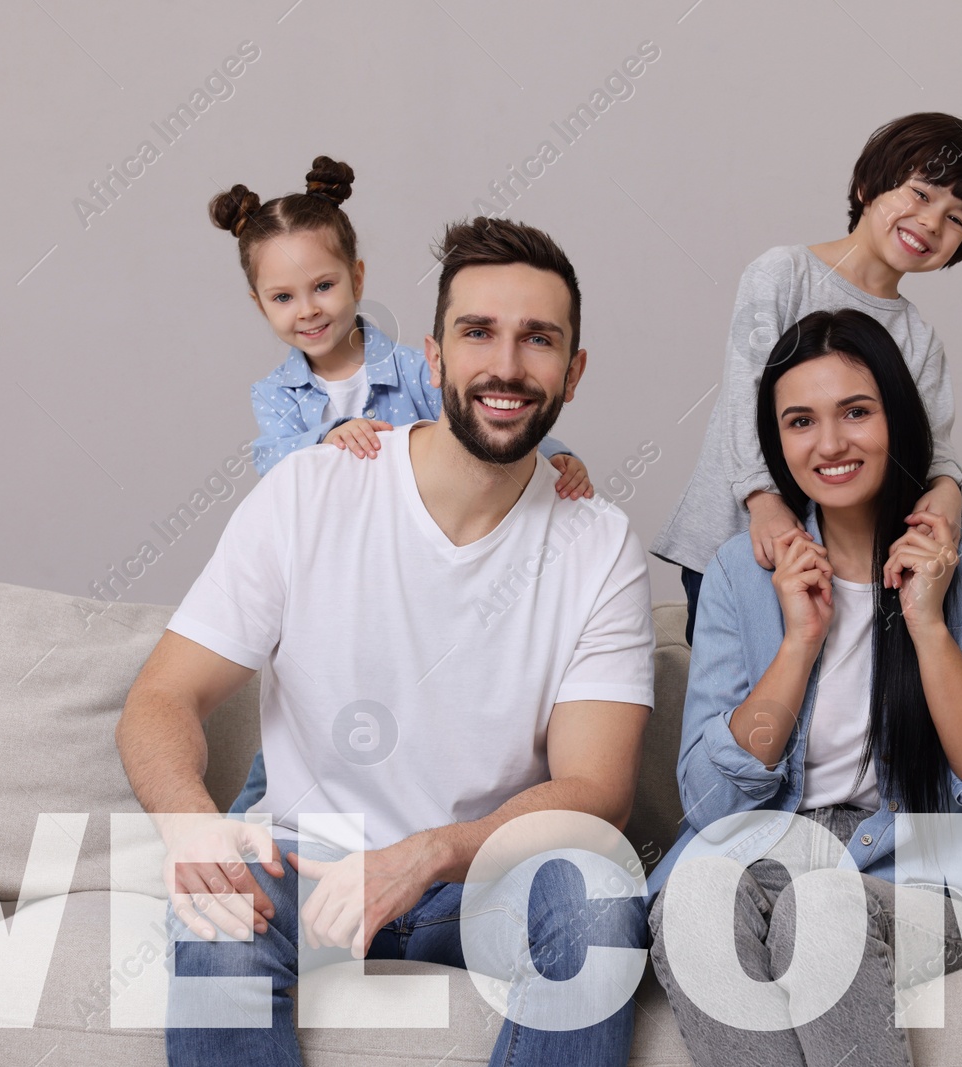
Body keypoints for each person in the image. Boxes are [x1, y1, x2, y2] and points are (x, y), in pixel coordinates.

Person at [116, 215, 655, 1067]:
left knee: (596, 895)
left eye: (538, 339)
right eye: (478, 333)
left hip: (478, 881)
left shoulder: (600, 543)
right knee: (215, 915)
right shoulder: (311, 493)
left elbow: (598, 788)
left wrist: (430, 853)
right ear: (434, 357)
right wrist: (190, 826)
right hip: (309, 866)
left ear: (573, 372)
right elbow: (161, 697)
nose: (506, 366)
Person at [646, 308, 962, 1066]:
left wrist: (928, 625)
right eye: (800, 421)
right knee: (693, 906)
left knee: (822, 905)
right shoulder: (744, 570)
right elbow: (708, 803)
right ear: (777, 443)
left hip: (922, 876)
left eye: (856, 412)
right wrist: (798, 643)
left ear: (897, 417)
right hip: (757, 859)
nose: (829, 443)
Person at [208, 156, 596, 816]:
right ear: (258, 303)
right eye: (283, 297)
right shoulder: (276, 395)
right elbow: (274, 463)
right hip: (336, 578)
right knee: (294, 739)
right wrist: (324, 443)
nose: (308, 310)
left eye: (323, 286)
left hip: (416, 572)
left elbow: (488, 419)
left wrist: (558, 456)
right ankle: (255, 822)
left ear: (357, 278)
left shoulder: (418, 368)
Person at [650, 113, 962, 646]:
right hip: (736, 537)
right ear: (868, 186)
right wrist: (765, 502)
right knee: (738, 699)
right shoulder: (784, 274)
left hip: (833, 561)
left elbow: (931, 443)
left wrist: (948, 490)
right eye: (919, 193)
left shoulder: (918, 338)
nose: (932, 222)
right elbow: (743, 397)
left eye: (956, 218)